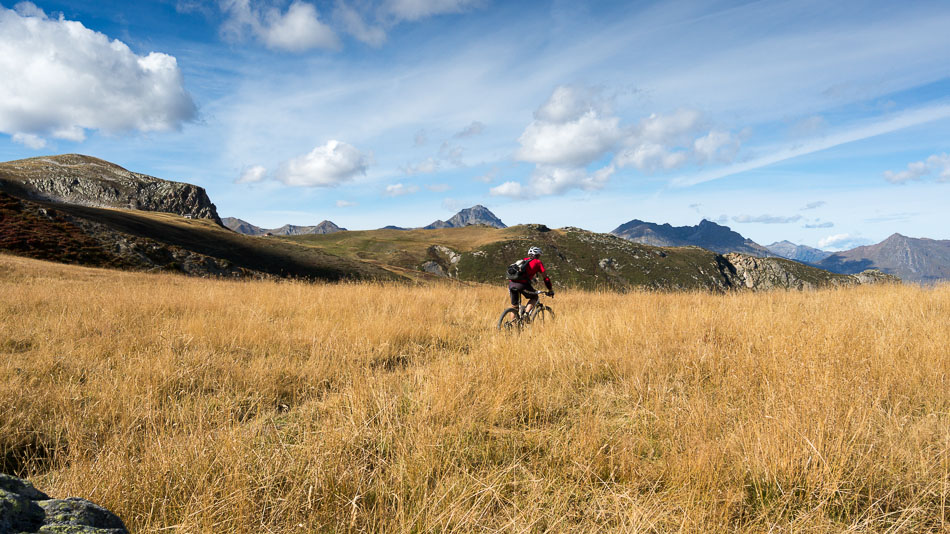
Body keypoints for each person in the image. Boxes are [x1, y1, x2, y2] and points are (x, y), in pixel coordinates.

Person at [508, 246, 554, 320]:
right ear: (538, 255)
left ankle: (512, 325)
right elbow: (546, 278)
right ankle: (526, 314)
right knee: (534, 297)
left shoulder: (523, 261)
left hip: (511, 284)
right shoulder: (538, 262)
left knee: (515, 306)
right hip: (522, 285)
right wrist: (550, 290)